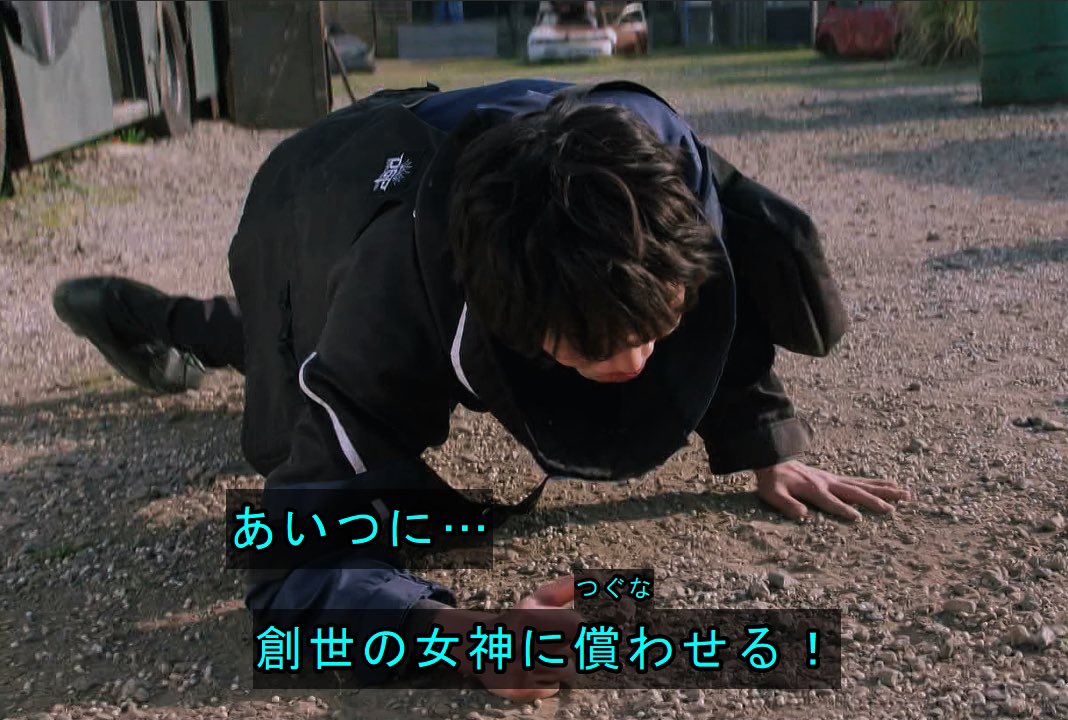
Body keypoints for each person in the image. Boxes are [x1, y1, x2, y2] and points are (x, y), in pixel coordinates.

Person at [52, 78, 909, 698]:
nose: (637, 363)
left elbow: (720, 285)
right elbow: (286, 573)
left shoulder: (663, 167)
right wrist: (463, 639)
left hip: (470, 152)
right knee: (285, 344)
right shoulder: (396, 300)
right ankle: (143, 317)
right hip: (323, 192)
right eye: (592, 347)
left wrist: (764, 441)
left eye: (656, 324)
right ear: (506, 323)